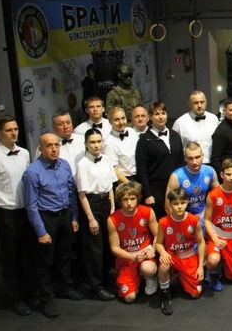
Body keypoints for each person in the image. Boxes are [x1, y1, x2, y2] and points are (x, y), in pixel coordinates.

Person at [23, 133, 83, 318]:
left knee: (65, 254)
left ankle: (64, 287)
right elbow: (31, 205)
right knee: (45, 260)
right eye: (49, 145)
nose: (54, 149)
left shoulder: (64, 165)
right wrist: (41, 231)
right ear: (40, 148)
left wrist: (74, 217)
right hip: (46, 217)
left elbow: (71, 193)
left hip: (65, 215)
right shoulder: (33, 172)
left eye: (57, 145)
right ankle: (45, 298)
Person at [0, 116, 35, 315]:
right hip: (6, 214)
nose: (13, 133)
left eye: (15, 129)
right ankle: (16, 298)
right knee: (11, 257)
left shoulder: (24, 153)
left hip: (24, 211)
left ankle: (29, 292)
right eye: (8, 130)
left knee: (26, 254)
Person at [75, 129, 117, 301]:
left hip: (106, 203)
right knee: (95, 248)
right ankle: (96, 286)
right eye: (92, 142)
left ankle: (106, 279)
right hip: (91, 205)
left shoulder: (106, 159)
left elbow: (110, 186)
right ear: (86, 144)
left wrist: (112, 208)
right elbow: (82, 195)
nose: (96, 145)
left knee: (107, 244)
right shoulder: (82, 164)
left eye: (99, 141)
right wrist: (91, 218)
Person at [155, 188, 206, 315]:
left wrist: (200, 267)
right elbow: (158, 243)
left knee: (196, 293)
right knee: (164, 266)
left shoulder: (194, 220)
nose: (179, 206)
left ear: (187, 202)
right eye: (176, 203)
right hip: (172, 256)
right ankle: (164, 293)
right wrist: (163, 252)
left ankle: (180, 276)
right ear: (170, 204)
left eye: (182, 203)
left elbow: (201, 242)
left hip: (189, 256)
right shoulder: (163, 222)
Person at [106, 181, 158, 303]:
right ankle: (134, 278)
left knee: (148, 269)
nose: (129, 203)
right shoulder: (113, 219)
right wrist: (132, 257)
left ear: (138, 198)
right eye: (125, 199)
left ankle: (149, 278)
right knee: (129, 298)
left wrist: (153, 249)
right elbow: (114, 248)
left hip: (145, 253)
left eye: (132, 199)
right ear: (120, 201)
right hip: (127, 256)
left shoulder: (147, 211)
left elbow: (158, 235)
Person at [204, 158, 232, 290]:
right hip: (217, 236)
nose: (231, 177)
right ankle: (212, 274)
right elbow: (207, 220)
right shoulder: (213, 195)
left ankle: (224, 268)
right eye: (228, 174)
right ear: (222, 175)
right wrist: (215, 239)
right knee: (213, 260)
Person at [135, 101, 184, 220]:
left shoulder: (175, 135)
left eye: (163, 113)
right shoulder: (144, 140)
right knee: (160, 222)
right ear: (150, 117)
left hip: (175, 187)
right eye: (157, 114)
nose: (161, 117)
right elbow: (142, 170)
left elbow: (181, 162)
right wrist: (148, 194)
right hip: (156, 189)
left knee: (177, 220)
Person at [166, 141, 219, 216]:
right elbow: (168, 205)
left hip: (204, 214)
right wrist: (180, 220)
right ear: (185, 158)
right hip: (184, 217)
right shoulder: (176, 176)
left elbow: (218, 196)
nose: (194, 162)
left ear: (202, 156)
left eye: (197, 157)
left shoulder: (210, 171)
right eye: (190, 158)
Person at [172, 90, 219, 165]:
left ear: (206, 102)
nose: (199, 105)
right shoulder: (179, 123)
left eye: (202, 102)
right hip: (190, 165)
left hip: (213, 163)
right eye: (196, 103)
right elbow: (175, 150)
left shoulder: (214, 119)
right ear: (189, 104)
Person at [104, 106, 139, 185]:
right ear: (110, 122)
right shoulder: (109, 142)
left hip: (139, 176)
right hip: (123, 181)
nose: (121, 122)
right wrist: (131, 185)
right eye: (117, 120)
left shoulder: (131, 131)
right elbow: (114, 170)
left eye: (123, 118)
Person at [50, 109, 85, 175]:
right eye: (60, 124)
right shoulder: (47, 146)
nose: (66, 127)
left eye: (68, 123)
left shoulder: (83, 140)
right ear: (53, 127)